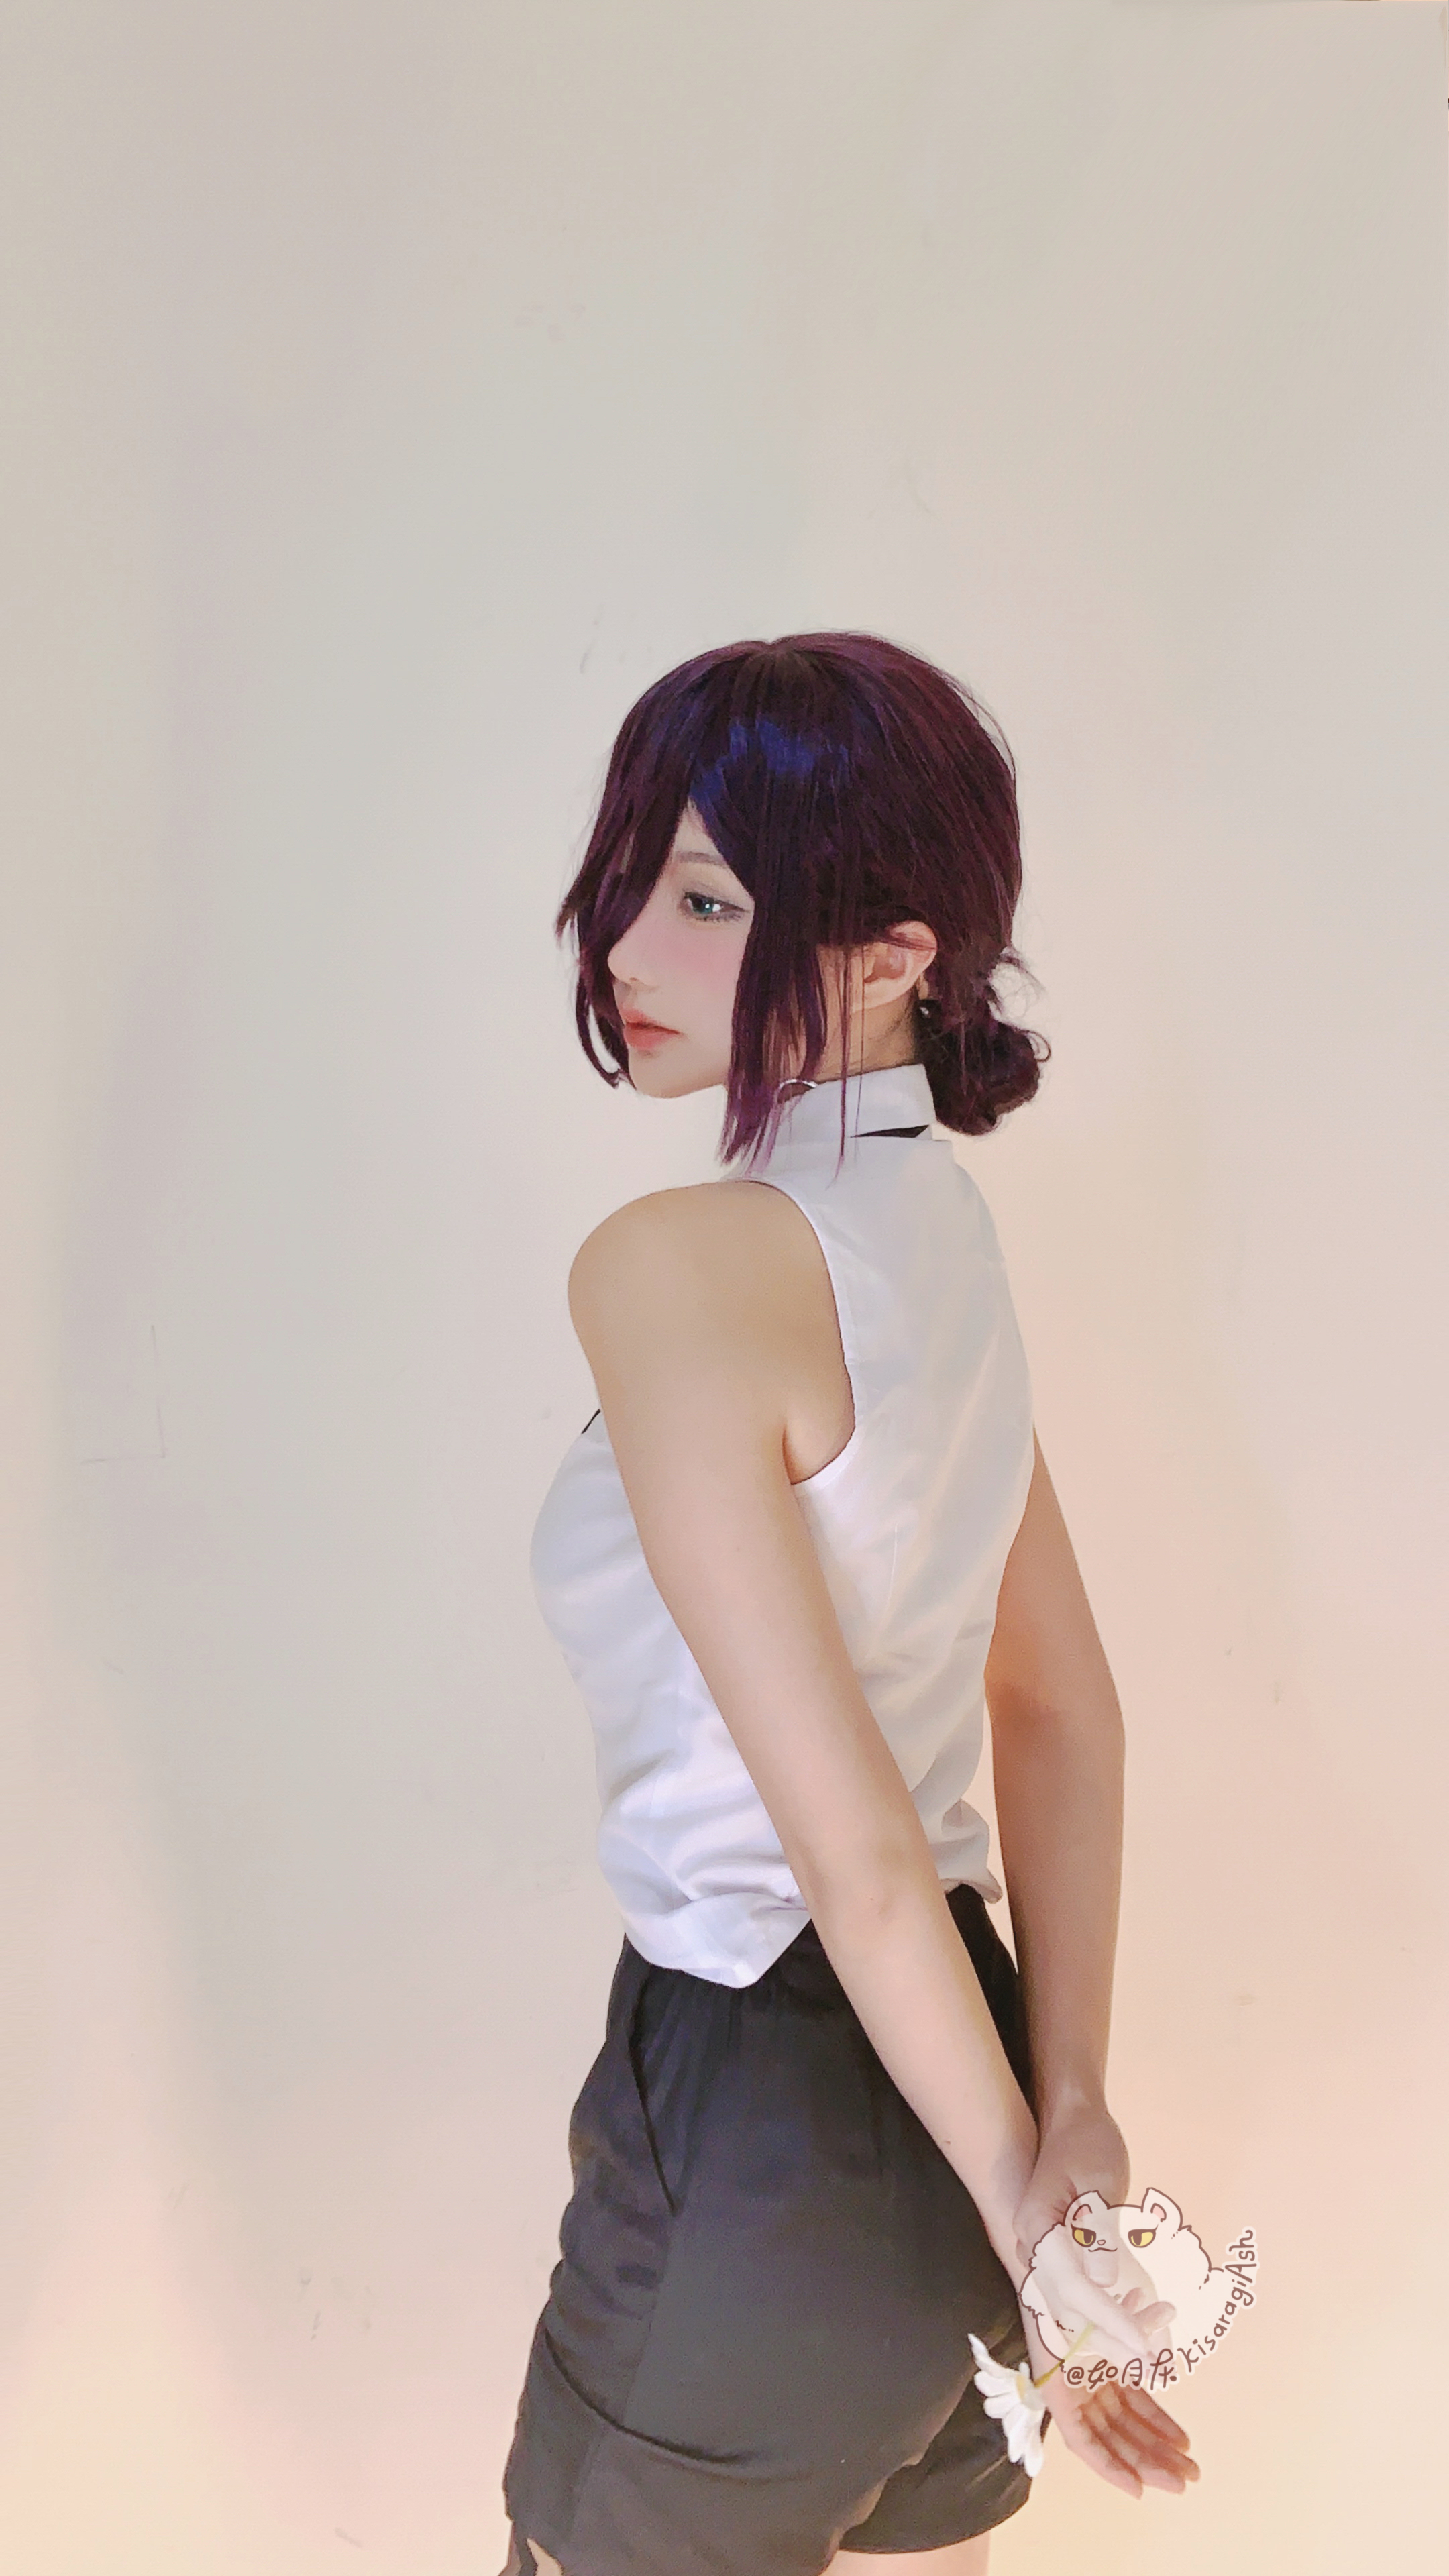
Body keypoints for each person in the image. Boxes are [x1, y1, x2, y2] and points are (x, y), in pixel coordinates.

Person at [500, 634, 1200, 2576]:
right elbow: (1062, 1710)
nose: (627, 945)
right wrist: (1057, 2138)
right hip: (968, 2059)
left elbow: (851, 1853)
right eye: (633, 878)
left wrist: (1030, 2209)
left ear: (896, 954)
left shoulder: (674, 1267)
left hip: (760, 2115)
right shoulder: (942, 1241)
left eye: (709, 900)